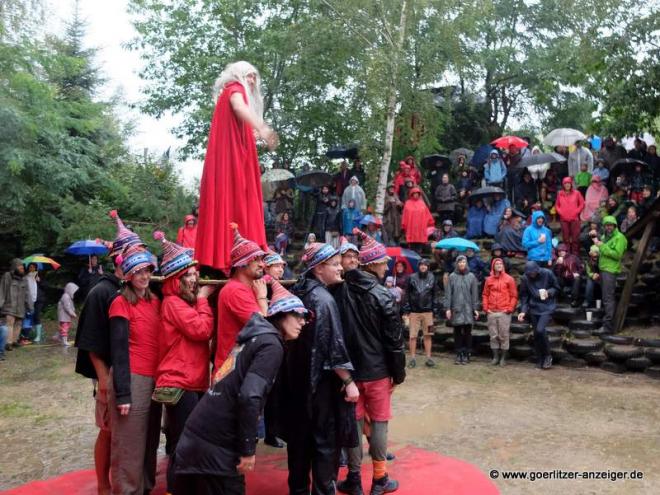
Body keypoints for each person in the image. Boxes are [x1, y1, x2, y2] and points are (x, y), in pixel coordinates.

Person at [172, 280, 308, 495]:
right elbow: (249, 396)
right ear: (281, 315)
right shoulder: (271, 345)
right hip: (214, 446)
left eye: (305, 317)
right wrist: (247, 450)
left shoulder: (256, 336)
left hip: (197, 436)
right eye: (297, 315)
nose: (303, 322)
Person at [75, 211, 142, 495]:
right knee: (109, 430)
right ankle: (103, 485)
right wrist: (103, 381)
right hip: (108, 372)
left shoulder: (135, 288)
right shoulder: (101, 292)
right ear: (119, 258)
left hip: (131, 371)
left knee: (125, 433)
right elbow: (90, 342)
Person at [282, 242, 358, 495]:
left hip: (296, 383)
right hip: (321, 386)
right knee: (325, 446)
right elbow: (333, 347)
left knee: (299, 444)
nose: (340, 269)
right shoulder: (324, 300)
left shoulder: (297, 292)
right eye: (335, 264)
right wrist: (348, 381)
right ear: (319, 269)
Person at [335, 230, 406, 495]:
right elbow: (394, 341)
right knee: (379, 423)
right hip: (377, 371)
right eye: (383, 260)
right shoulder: (383, 294)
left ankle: (354, 479)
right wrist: (398, 375)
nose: (387, 264)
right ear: (372, 263)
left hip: (349, 373)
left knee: (354, 423)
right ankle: (379, 479)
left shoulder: (339, 290)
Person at [196, 61, 277, 272]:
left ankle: (227, 252)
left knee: (232, 199)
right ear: (238, 76)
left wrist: (251, 133)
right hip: (230, 158)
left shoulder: (226, 93)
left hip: (230, 155)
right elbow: (239, 106)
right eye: (248, 75)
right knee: (238, 197)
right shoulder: (234, 89)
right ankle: (238, 252)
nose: (251, 80)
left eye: (254, 77)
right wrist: (262, 127)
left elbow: (236, 117)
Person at [152, 232, 215, 493]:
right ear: (175, 281)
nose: (193, 279)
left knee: (193, 441)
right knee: (182, 443)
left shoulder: (183, 304)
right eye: (187, 276)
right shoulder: (172, 304)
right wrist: (203, 299)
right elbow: (202, 330)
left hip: (192, 381)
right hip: (180, 382)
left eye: (193, 274)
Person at [108, 243, 162, 494]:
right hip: (132, 377)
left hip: (154, 378)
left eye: (147, 271)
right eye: (138, 271)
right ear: (128, 274)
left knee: (150, 441)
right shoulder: (120, 303)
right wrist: (123, 393)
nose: (144, 276)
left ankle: (145, 488)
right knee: (129, 444)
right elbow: (118, 351)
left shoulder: (155, 301)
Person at [215, 224, 268, 371]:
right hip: (232, 371)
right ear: (242, 264)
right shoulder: (235, 291)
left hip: (240, 367)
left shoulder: (247, 288)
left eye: (262, 259)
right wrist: (262, 298)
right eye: (256, 260)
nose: (262, 264)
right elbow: (263, 326)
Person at [593, 216, 628, 334]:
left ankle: (608, 327)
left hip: (611, 271)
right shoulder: (604, 237)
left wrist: (601, 246)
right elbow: (604, 251)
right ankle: (607, 324)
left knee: (608, 298)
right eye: (606, 225)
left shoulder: (620, 238)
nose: (608, 227)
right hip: (603, 269)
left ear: (615, 225)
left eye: (610, 225)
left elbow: (617, 255)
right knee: (606, 297)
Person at [402, 259, 438, 368]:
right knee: (413, 335)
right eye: (421, 265)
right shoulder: (411, 277)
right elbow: (407, 294)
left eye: (425, 265)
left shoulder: (432, 277)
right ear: (418, 266)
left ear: (428, 266)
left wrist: (434, 310)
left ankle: (429, 358)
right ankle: (412, 358)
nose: (423, 267)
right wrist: (407, 310)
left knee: (428, 335)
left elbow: (435, 294)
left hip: (428, 312)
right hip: (414, 312)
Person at [482, 258, 518, 366]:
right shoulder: (489, 280)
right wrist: (486, 308)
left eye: (500, 263)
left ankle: (503, 358)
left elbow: (514, 296)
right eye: (496, 264)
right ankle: (495, 357)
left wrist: (510, 308)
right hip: (492, 312)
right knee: (493, 335)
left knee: (504, 335)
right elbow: (485, 295)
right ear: (493, 266)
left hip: (504, 312)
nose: (499, 265)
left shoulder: (509, 279)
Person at [445, 255, 480, 365]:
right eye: (459, 262)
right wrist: (448, 308)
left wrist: (475, 308)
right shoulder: (452, 277)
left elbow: (474, 294)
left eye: (463, 262)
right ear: (457, 263)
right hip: (457, 308)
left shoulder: (471, 277)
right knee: (457, 332)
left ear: (466, 263)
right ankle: (459, 353)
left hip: (468, 309)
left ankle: (467, 353)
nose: (461, 264)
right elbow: (448, 294)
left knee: (468, 332)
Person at [0, 258, 32, 351]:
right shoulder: (7, 276)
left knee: (18, 324)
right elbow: (2, 290)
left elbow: (27, 294)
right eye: (20, 266)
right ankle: (8, 343)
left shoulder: (24, 279)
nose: (22, 268)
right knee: (9, 323)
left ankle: (14, 341)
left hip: (20, 307)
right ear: (14, 267)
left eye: (22, 266)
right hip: (9, 305)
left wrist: (30, 306)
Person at [555, 176, 585, 256]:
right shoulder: (560, 193)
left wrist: (577, 211)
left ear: (571, 184)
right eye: (565, 183)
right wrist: (560, 212)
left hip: (575, 218)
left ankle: (575, 254)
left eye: (569, 183)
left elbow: (582, 203)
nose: (567, 185)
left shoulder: (577, 193)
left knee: (575, 238)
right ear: (563, 185)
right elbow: (557, 205)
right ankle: (567, 253)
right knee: (566, 238)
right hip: (564, 219)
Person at [55, 282, 79, 346]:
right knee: (65, 328)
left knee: (63, 327)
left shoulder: (68, 296)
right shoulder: (66, 296)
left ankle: (58, 337)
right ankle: (64, 341)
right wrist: (72, 313)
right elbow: (67, 307)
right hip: (64, 316)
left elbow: (70, 306)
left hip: (66, 316)